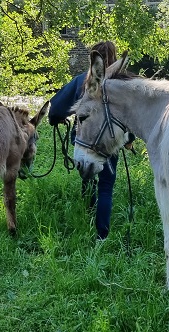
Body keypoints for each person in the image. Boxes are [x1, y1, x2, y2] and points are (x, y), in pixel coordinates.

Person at [48, 40, 119, 240]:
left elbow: (56, 108)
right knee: (106, 185)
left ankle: (89, 217)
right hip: (109, 142)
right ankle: (101, 234)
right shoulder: (118, 84)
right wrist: (128, 139)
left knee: (88, 179)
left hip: (84, 140)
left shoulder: (82, 80)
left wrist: (57, 119)